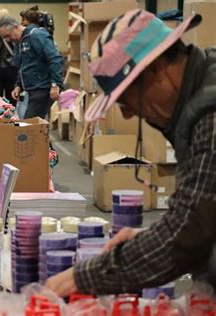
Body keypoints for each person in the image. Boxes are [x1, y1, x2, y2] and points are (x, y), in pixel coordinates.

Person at [46, 9, 216, 296]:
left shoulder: (210, 116)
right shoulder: (199, 97)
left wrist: (82, 277)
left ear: (157, 68)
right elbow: (202, 211)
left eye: (126, 99)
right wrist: (152, 239)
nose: (127, 115)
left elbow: (191, 232)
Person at [0, 16, 63, 119]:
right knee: (31, 124)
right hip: (31, 90)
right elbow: (23, 66)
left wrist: (55, 84)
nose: (8, 40)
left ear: (15, 27)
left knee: (29, 125)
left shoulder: (36, 35)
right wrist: (18, 85)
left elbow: (55, 58)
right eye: (4, 38)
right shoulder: (18, 43)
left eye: (8, 35)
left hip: (42, 88)